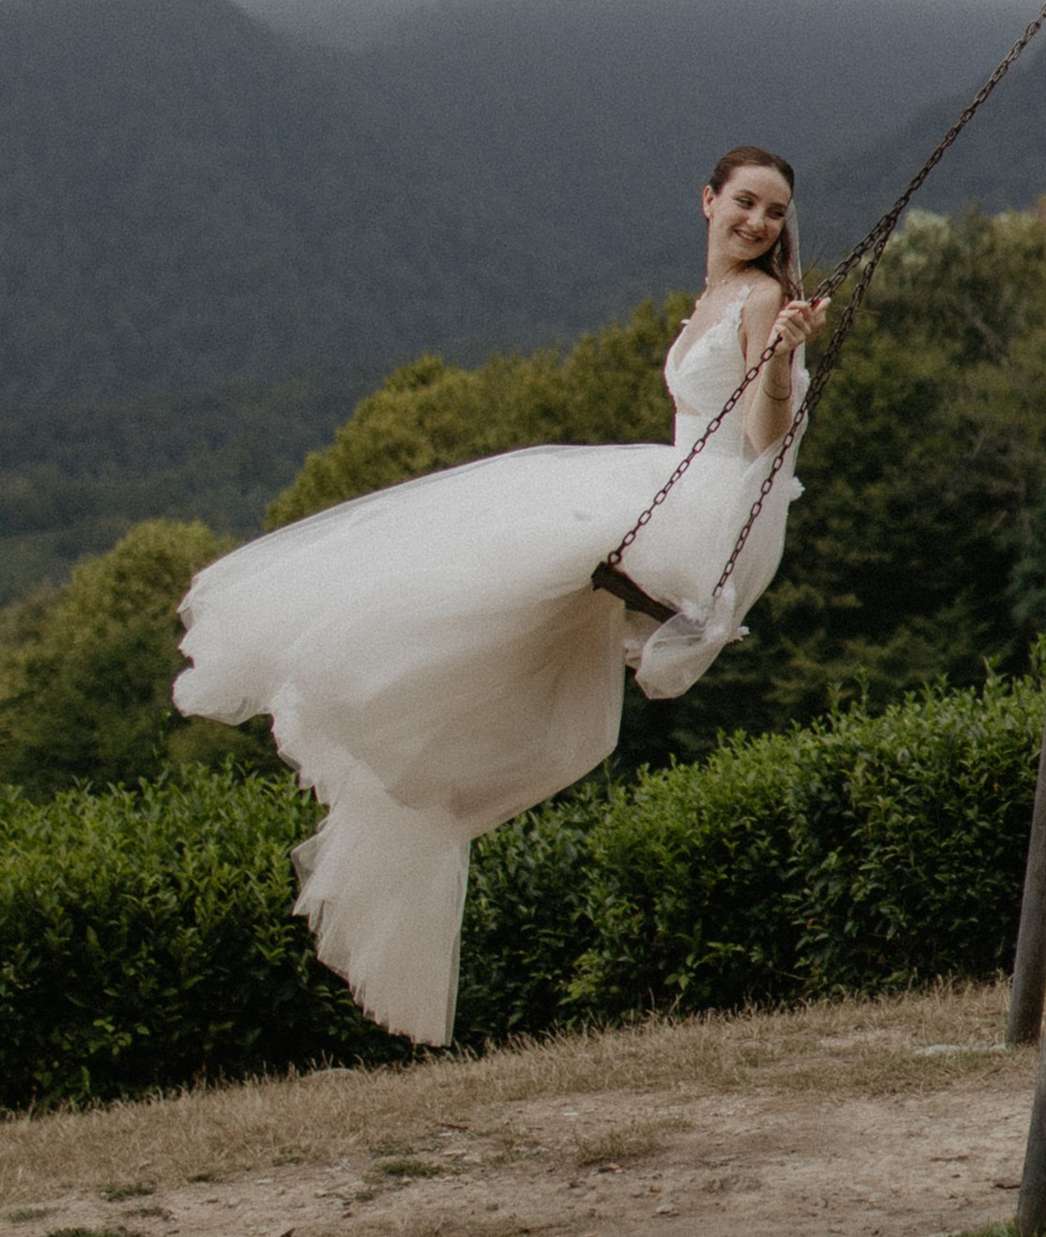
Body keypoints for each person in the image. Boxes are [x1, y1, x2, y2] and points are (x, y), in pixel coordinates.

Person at [174, 145, 830, 1051]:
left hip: (712, 509)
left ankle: (363, 677)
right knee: (499, 576)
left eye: (775, 212)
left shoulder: (761, 302)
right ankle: (404, 712)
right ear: (708, 200)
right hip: (675, 486)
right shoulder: (713, 300)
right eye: (746, 203)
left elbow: (761, 438)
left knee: (506, 516)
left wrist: (785, 363)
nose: (759, 223)